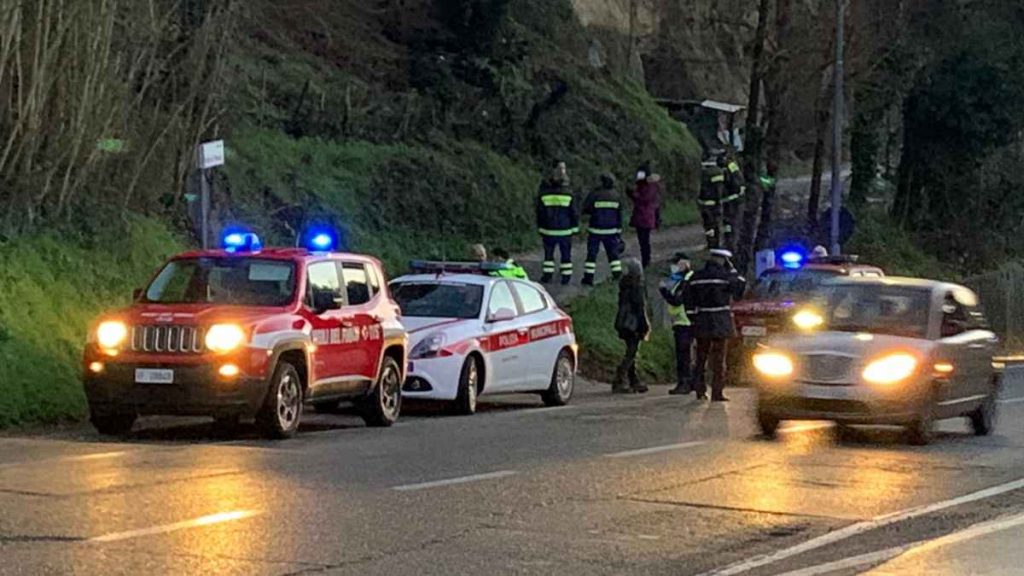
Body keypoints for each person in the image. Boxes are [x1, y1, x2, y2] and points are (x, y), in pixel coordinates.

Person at [689, 248, 746, 401]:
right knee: (719, 359)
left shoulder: (696, 276)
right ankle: (717, 392)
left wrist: (692, 318)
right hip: (720, 319)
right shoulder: (726, 277)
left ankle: (699, 390)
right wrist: (733, 271)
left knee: (701, 357)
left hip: (702, 319)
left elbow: (688, 298)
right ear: (724, 260)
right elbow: (739, 291)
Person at [659, 252, 696, 396]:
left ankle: (684, 383)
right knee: (686, 355)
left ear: (685, 263)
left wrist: (663, 291)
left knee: (683, 356)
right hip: (683, 322)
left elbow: (677, 300)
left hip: (685, 323)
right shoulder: (683, 279)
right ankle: (691, 382)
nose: (673, 267)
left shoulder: (687, 280)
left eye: (677, 263)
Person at [536, 161, 579, 285]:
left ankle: (547, 276)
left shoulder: (544, 193)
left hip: (548, 230)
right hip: (565, 230)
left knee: (548, 255)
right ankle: (566, 277)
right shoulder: (568, 193)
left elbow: (540, 212)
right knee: (566, 255)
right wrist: (575, 227)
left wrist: (540, 226)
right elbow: (574, 212)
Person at [613, 258, 650, 394]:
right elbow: (640, 307)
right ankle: (620, 379)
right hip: (633, 323)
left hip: (623, 321)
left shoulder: (624, 285)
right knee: (632, 353)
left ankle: (633, 379)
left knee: (631, 350)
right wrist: (645, 325)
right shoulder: (637, 287)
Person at [581, 173, 624, 286]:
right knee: (613, 254)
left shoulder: (595, 194)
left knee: (592, 255)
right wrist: (619, 231)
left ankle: (588, 278)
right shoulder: (616, 196)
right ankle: (617, 275)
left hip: (596, 229)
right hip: (611, 231)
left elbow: (586, 209)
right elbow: (619, 215)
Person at [627, 163, 661, 268]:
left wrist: (632, 194)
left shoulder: (649, 187)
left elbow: (643, 199)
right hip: (643, 217)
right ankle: (646, 260)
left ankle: (646, 261)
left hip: (645, 217)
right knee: (643, 241)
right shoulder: (645, 185)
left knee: (644, 241)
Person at [720, 154, 746, 253]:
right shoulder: (731, 167)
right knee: (728, 224)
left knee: (733, 224)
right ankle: (729, 243)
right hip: (732, 201)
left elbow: (736, 185)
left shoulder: (730, 167)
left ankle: (732, 246)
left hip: (735, 202)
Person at [699, 161, 725, 248]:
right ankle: (715, 243)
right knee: (714, 224)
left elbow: (702, 189)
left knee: (709, 225)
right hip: (714, 203)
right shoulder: (719, 172)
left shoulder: (705, 173)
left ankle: (711, 243)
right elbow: (719, 189)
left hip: (706, 203)